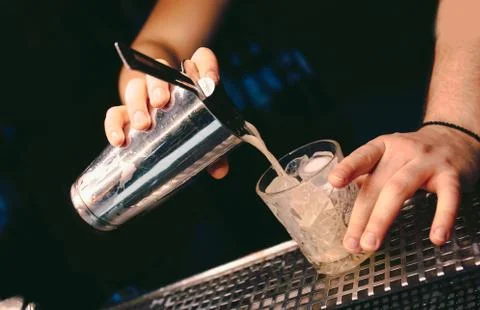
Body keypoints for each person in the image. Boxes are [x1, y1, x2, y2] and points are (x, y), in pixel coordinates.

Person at [103, 0, 480, 256]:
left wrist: (452, 123)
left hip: (424, 91)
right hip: (325, 106)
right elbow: (161, 39)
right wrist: (155, 90)